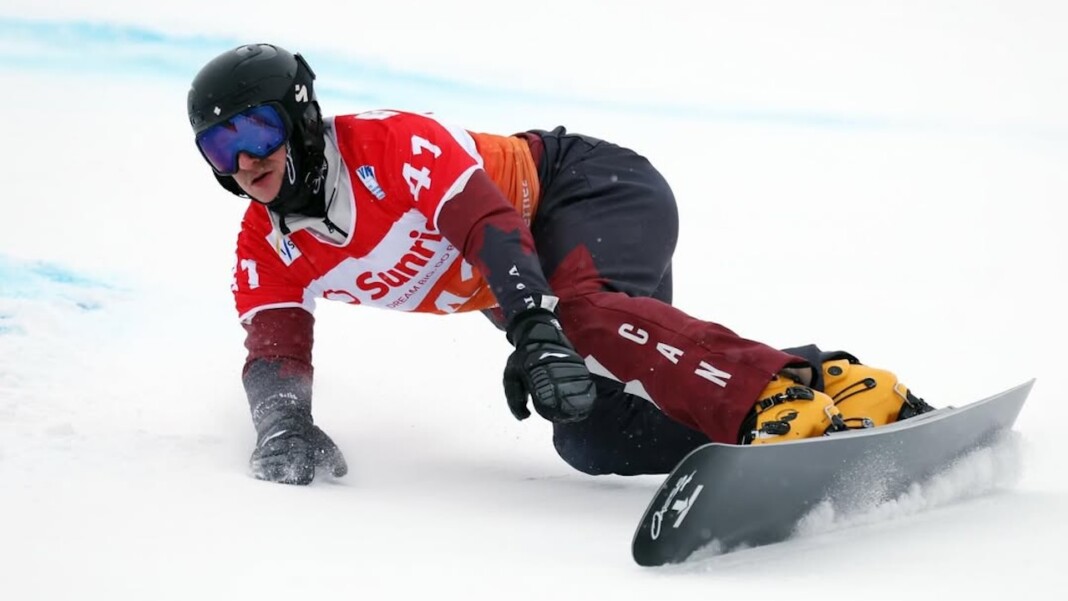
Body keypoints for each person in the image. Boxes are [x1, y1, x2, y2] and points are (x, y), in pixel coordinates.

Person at [187, 43, 934, 485]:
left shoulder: (388, 146)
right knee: (589, 435)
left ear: (303, 113)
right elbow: (274, 352)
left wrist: (536, 325)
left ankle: (773, 397)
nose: (246, 160)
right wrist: (284, 428)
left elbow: (489, 225)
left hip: (585, 192)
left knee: (581, 319)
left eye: (256, 128)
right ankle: (825, 389)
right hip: (529, 286)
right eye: (220, 147)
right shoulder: (266, 246)